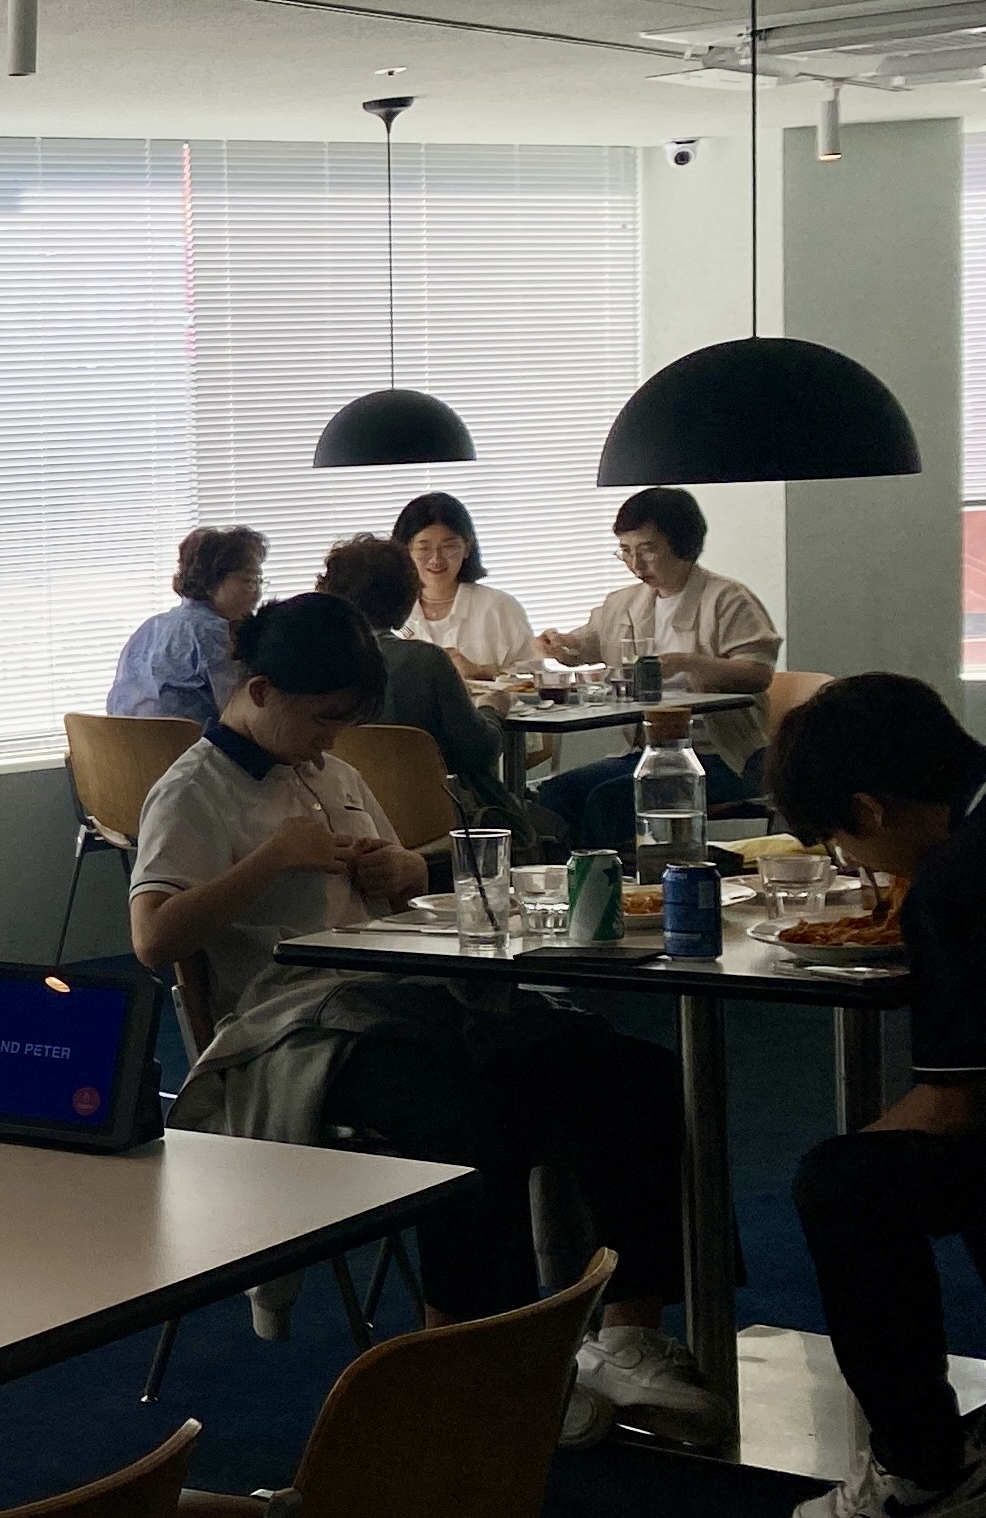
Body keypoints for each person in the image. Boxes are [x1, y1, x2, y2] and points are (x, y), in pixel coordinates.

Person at [130, 591, 706, 1433]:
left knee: (630, 1074)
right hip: (295, 1029)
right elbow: (152, 939)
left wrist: (403, 873)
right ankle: (476, 1363)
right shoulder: (193, 790)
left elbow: (400, 895)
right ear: (260, 692)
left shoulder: (331, 772)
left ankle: (627, 1334)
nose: (333, 738)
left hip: (403, 996)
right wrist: (270, 861)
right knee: (470, 1123)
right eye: (324, 718)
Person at [762, 676, 986, 1518]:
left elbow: (949, 1106)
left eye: (841, 840)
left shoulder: (965, 876)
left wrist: (853, 1148)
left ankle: (924, 1469)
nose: (856, 862)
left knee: (849, 1186)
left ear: (870, 807)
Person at [537, 486, 781, 849]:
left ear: (682, 544)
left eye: (647, 550)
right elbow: (584, 646)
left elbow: (757, 673)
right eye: (625, 551)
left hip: (725, 757)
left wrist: (685, 663)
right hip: (650, 751)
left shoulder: (727, 598)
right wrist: (558, 644)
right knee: (557, 792)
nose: (636, 565)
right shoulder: (624, 602)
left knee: (609, 800)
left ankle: (613, 880)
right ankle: (565, 879)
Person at [316, 533, 540, 842]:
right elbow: (478, 751)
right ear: (405, 600)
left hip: (346, 824)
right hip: (438, 825)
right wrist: (490, 709)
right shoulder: (426, 661)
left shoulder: (313, 662)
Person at [108, 525, 265, 725]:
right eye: (249, 581)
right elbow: (241, 712)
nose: (258, 593)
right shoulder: (212, 631)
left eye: (260, 582)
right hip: (188, 744)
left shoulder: (151, 627)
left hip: (125, 743)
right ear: (211, 582)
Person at [387, 491, 533, 680]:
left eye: (448, 547)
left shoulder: (500, 606)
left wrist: (481, 672)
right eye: (424, 548)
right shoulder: (388, 609)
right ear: (405, 550)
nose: (436, 559)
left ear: (467, 547)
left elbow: (534, 678)